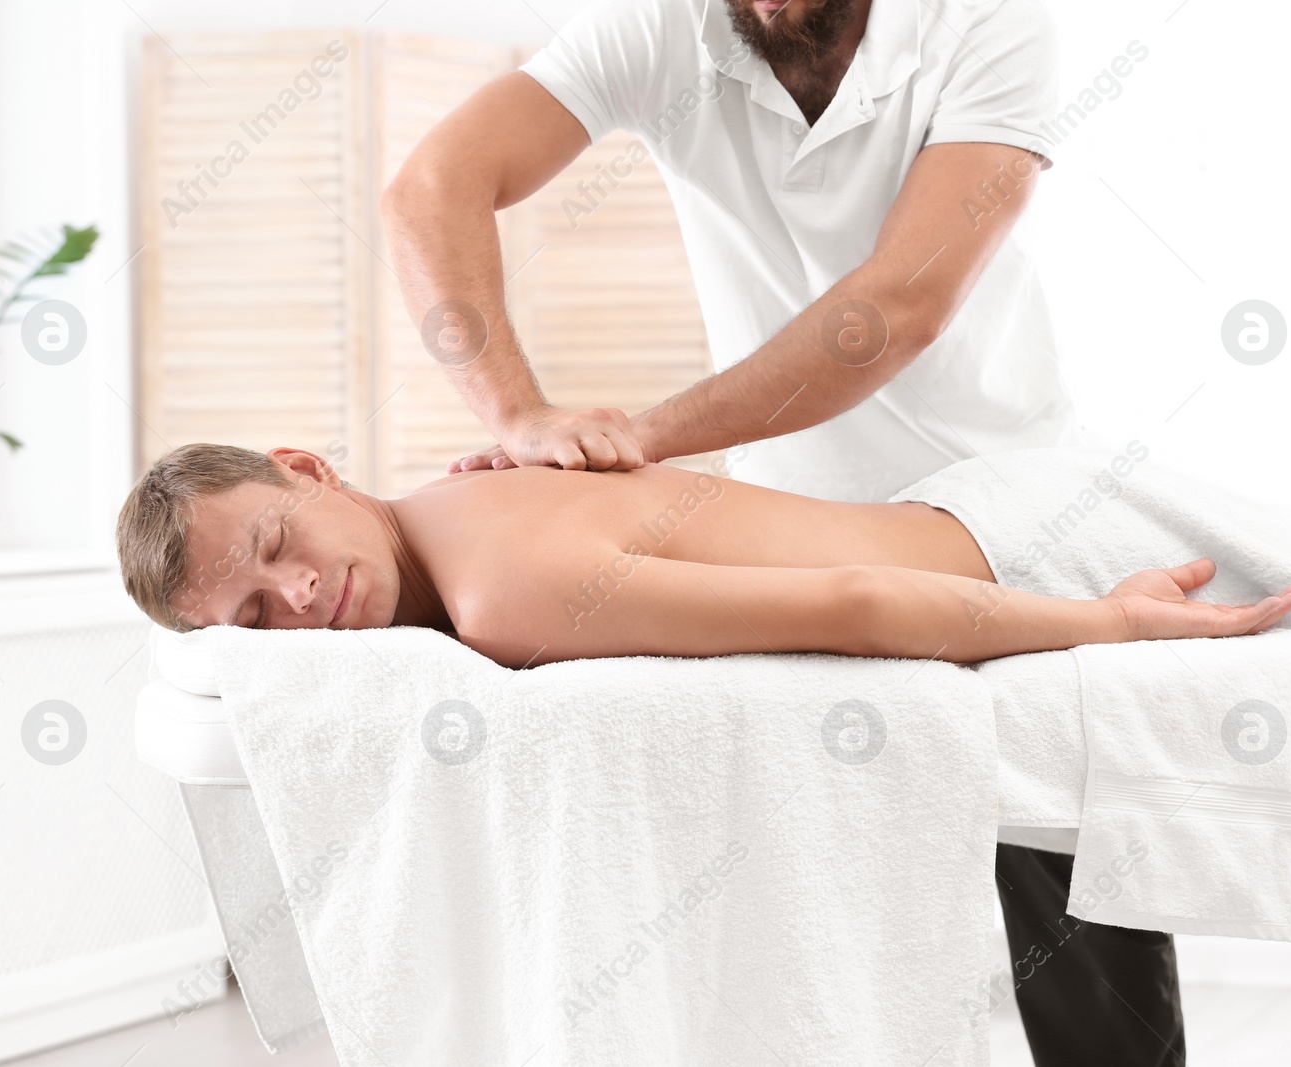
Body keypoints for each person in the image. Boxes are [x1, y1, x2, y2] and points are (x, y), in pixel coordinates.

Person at [383, 0, 1194, 1058]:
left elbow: (897, 304)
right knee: (826, 902)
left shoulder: (984, 21)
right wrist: (516, 416)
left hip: (1015, 498)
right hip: (796, 516)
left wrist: (641, 433)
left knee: (1071, 896)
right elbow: (431, 187)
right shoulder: (663, 29)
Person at [116, 441, 1291, 665]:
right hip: (986, 504)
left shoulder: (495, 591)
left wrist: (1110, 620)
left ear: (309, 466)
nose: (302, 596)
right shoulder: (455, 504)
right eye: (259, 618)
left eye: (276, 546)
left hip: (1023, 551)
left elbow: (853, 602)